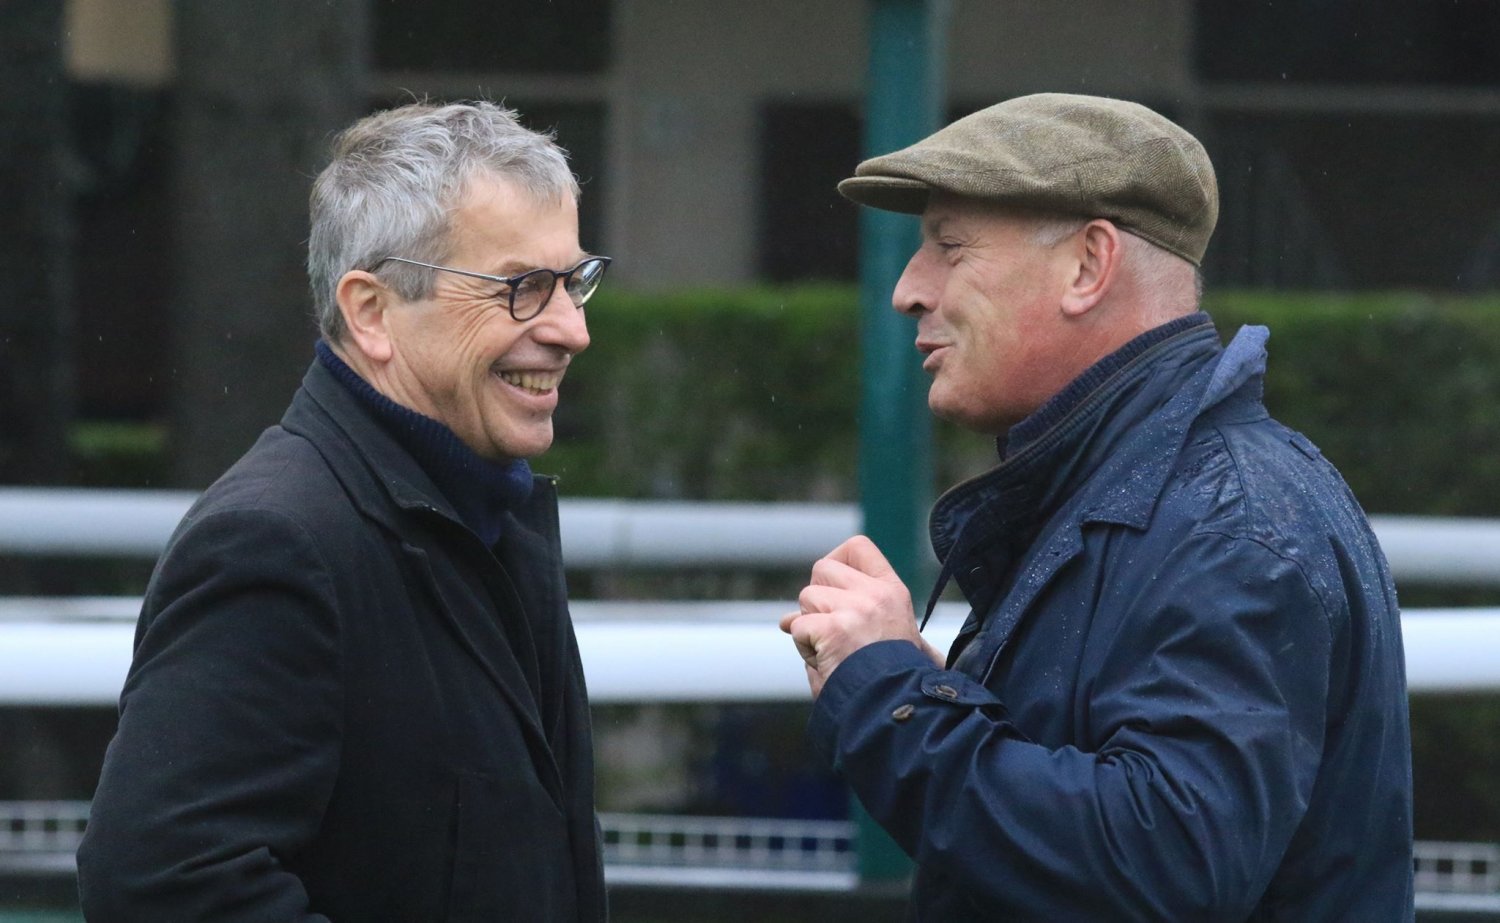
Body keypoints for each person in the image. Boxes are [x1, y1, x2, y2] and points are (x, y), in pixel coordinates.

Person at [781, 93, 1414, 921]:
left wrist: (889, 695)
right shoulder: (1163, 490)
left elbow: (1162, 864)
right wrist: (926, 689)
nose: (908, 289)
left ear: (1089, 266)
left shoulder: (1228, 524)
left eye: (949, 247)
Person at [77, 101, 609, 921]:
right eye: (523, 288)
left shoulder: (488, 518)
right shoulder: (277, 542)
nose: (572, 329)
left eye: (574, 283)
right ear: (371, 312)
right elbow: (162, 882)